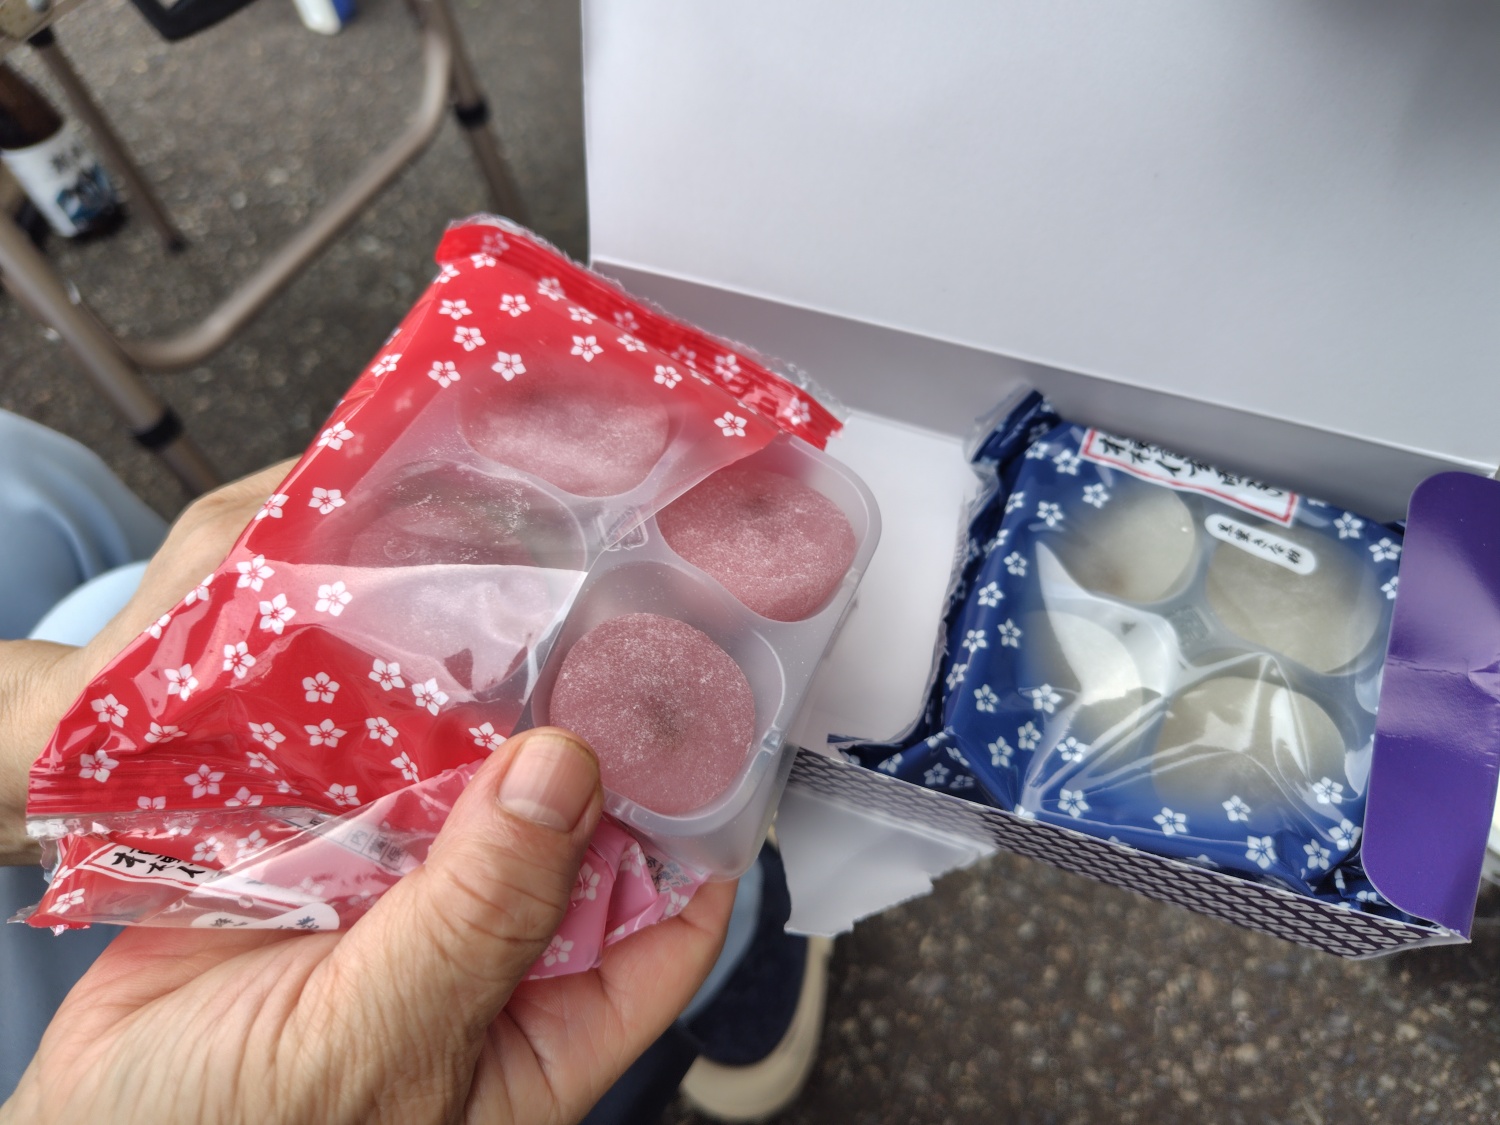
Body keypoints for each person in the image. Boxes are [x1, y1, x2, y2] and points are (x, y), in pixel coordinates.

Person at [0, 410, 829, 1123]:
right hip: (192, 990)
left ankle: (735, 926)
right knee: (654, 854)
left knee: (63, 540)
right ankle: (741, 960)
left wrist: (58, 749)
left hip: (171, 832)